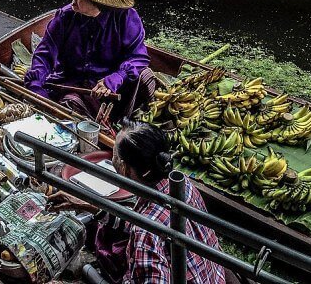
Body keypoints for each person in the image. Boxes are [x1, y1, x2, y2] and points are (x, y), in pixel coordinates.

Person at [47, 121, 226, 284]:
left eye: (115, 155)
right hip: (212, 276)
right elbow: (141, 222)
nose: (112, 159)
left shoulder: (145, 231)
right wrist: (86, 205)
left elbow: (147, 230)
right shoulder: (180, 182)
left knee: (107, 242)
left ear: (124, 167)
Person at [24, 0, 154, 121]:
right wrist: (36, 85)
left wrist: (117, 77)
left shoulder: (126, 18)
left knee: (146, 77)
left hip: (112, 89)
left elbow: (138, 57)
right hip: (74, 86)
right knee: (71, 105)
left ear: (96, 0)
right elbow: (45, 54)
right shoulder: (65, 17)